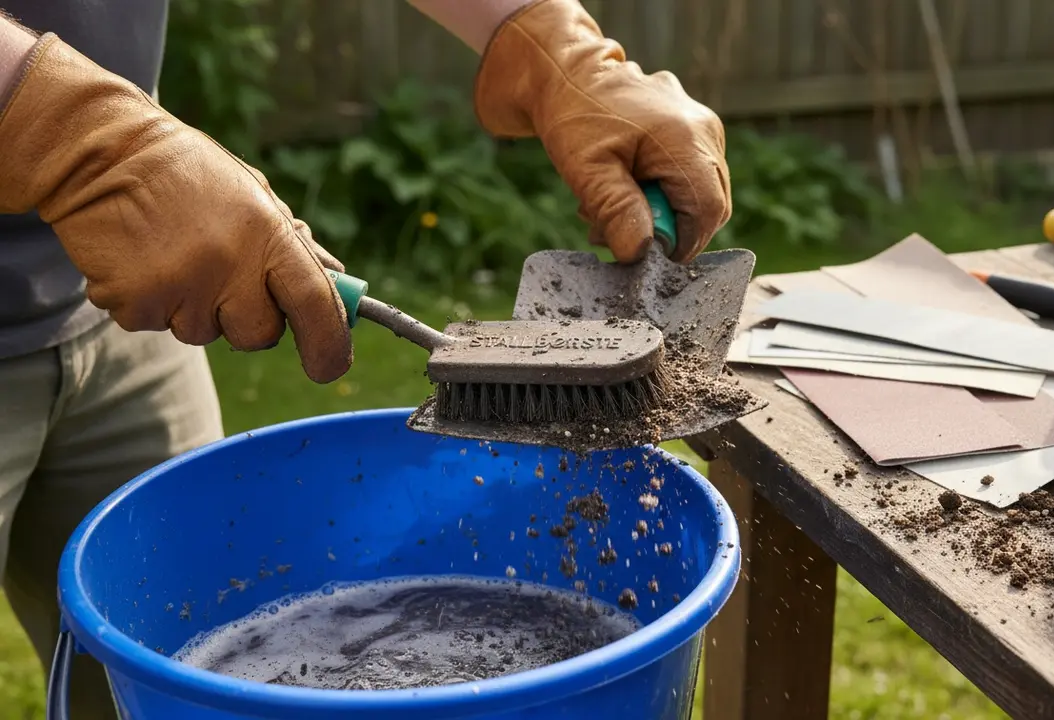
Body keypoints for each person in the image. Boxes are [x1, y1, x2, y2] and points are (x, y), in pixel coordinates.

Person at [0, 0, 731, 715]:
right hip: (116, 177)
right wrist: (65, 129)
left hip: (130, 282)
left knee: (160, 662)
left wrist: (548, 41)